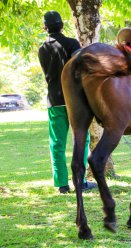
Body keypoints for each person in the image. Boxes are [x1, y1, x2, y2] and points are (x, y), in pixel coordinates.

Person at [38, 10, 96, 194]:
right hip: (77, 101)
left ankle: (62, 184)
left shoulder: (42, 49)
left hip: (55, 101)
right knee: (81, 140)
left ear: (45, 27)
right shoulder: (72, 44)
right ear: (62, 25)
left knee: (57, 143)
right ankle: (81, 181)